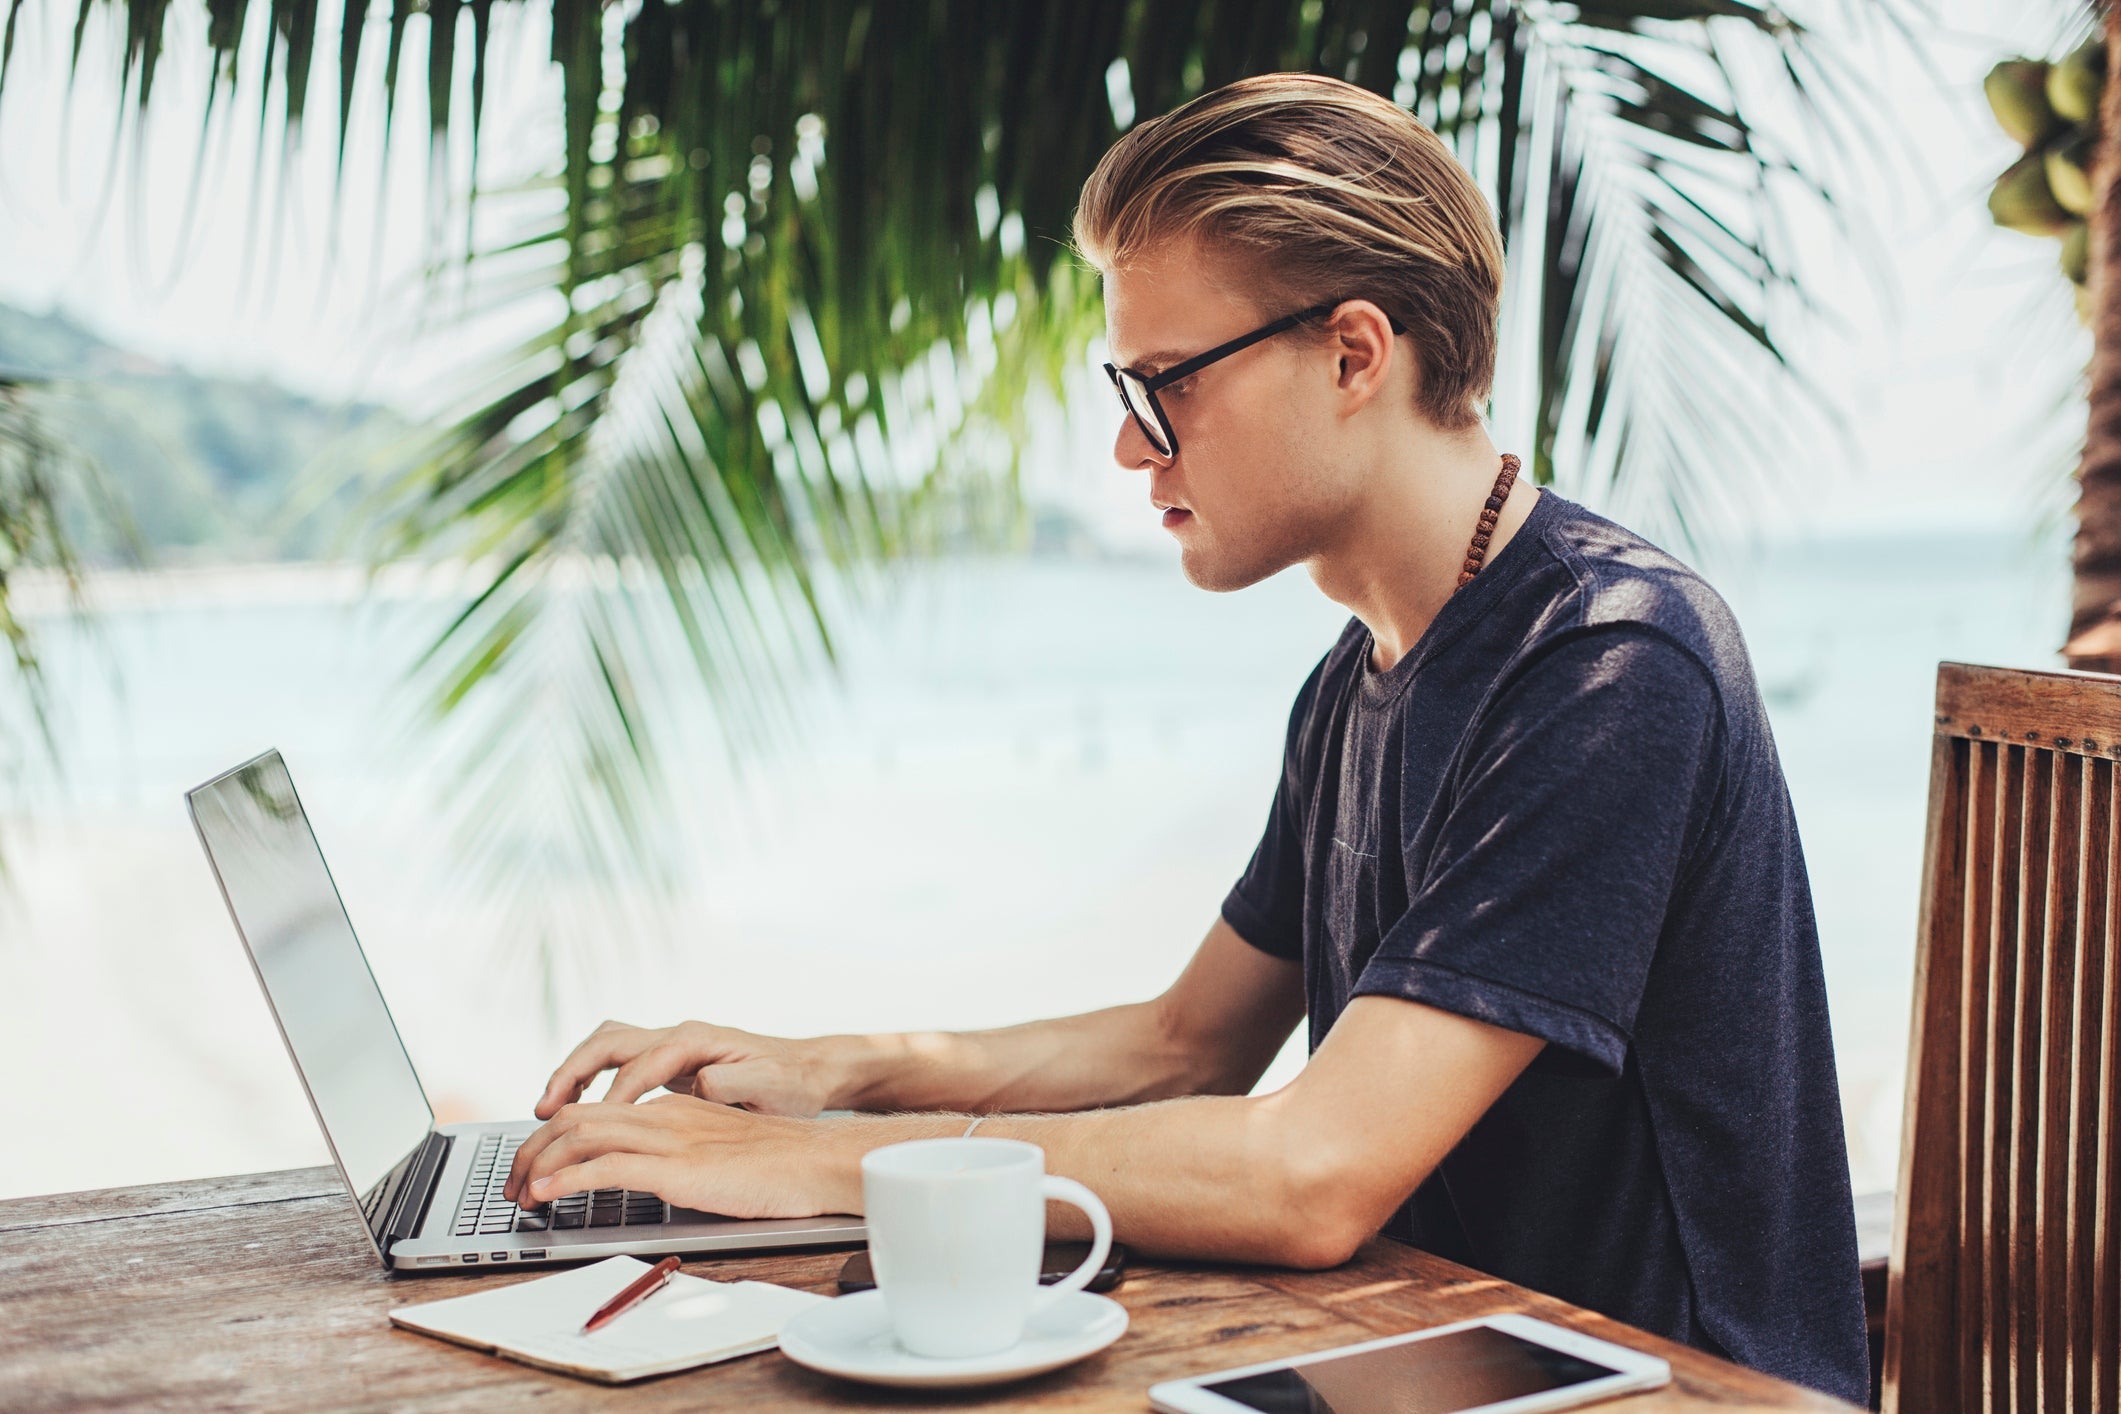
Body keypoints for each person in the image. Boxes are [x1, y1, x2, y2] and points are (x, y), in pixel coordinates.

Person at [503, 71, 1869, 1403]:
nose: (1124, 445)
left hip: (1668, 1386)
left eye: (1165, 381)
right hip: (1439, 1358)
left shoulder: (1607, 663)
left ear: (1351, 354)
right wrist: (835, 1070)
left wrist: (817, 1167)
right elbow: (1184, 1041)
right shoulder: (1361, 676)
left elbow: (1314, 1173)